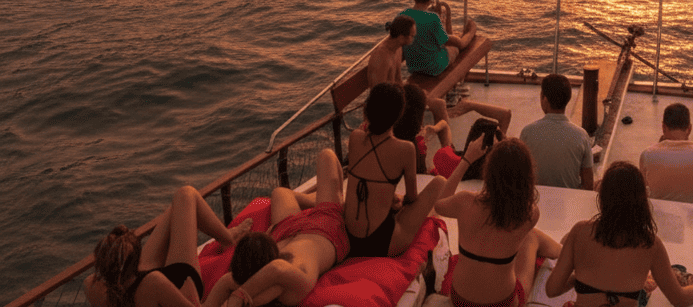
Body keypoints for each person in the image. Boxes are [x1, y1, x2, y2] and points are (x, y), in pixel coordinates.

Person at [545, 161, 693, 307]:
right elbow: (680, 299)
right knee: (674, 270)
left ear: (602, 199)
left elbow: (552, 290)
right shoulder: (651, 244)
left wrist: (581, 273)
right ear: (641, 201)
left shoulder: (580, 232)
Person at [202, 147, 350, 306]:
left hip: (284, 232)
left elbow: (225, 281)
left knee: (280, 193)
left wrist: (237, 296)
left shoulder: (246, 283)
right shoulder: (294, 281)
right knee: (326, 155)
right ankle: (332, 201)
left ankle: (320, 200)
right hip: (325, 229)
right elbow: (277, 268)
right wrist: (241, 295)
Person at [434, 134, 561, 307]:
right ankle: (563, 252)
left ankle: (563, 252)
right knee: (531, 237)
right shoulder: (529, 214)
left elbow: (439, 204)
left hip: (460, 299)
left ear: (489, 171)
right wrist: (512, 152)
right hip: (502, 304)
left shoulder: (464, 202)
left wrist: (467, 159)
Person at [86, 185, 251, 307]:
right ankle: (228, 239)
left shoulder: (91, 286)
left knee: (180, 203)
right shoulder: (153, 282)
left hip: (133, 288)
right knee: (186, 194)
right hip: (178, 285)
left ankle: (228, 236)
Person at [344, 81, 445, 258]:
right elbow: (411, 198)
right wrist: (399, 204)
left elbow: (369, 178)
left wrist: (390, 200)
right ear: (399, 115)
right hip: (383, 244)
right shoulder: (406, 149)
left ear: (367, 110)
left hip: (351, 239)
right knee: (440, 182)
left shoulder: (355, 137)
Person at [402, 0, 478, 123]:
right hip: (434, 68)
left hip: (414, 66)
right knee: (457, 47)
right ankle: (472, 30)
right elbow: (450, 42)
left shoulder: (403, 15)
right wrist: (465, 36)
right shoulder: (432, 19)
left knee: (447, 44)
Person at [519, 74, 594, 190]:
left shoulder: (527, 132)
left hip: (536, 200)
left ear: (544, 98)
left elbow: (521, 177)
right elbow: (588, 185)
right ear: (568, 99)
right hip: (569, 202)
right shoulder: (582, 136)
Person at [639, 102, 693, 204]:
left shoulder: (648, 154)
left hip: (661, 215)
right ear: (689, 129)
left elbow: (645, 183)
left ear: (663, 127)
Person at [392, 82, 452, 173]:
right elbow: (445, 125)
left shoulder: (386, 136)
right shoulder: (417, 145)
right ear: (419, 116)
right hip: (417, 179)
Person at [432, 117, 503, 179]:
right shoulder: (494, 173)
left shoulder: (448, 158)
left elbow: (445, 125)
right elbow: (506, 115)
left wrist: (435, 128)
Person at [367, 15, 417, 87]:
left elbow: (398, 80)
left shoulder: (398, 49)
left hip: (396, 94)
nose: (413, 39)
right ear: (401, 37)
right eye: (412, 36)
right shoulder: (381, 57)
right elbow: (378, 93)